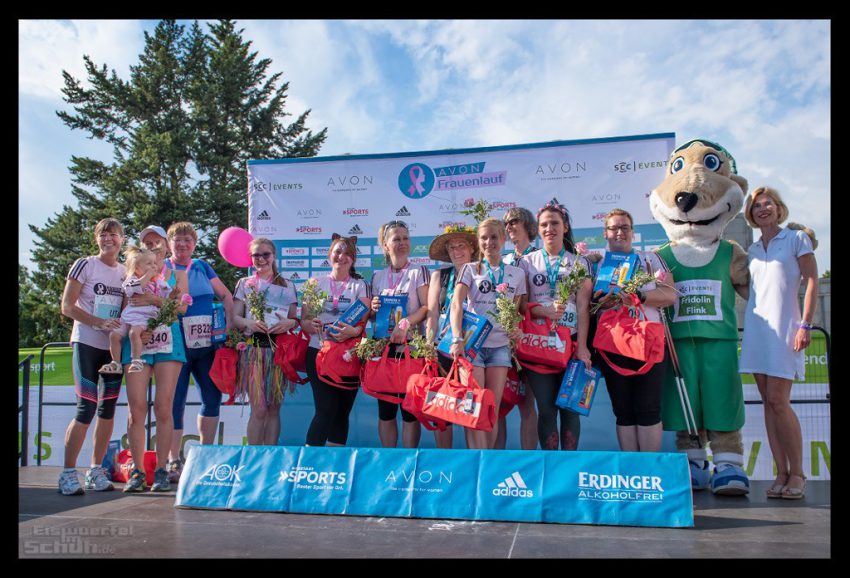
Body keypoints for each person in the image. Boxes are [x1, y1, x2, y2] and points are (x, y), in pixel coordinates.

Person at [739, 187, 818, 499]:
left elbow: (811, 280)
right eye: (757, 206)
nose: (763, 209)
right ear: (751, 214)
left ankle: (798, 473)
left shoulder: (797, 239)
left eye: (767, 203)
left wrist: (805, 324)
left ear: (778, 207)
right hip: (758, 333)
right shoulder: (753, 250)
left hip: (788, 331)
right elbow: (755, 292)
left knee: (779, 402)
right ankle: (781, 472)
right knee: (767, 405)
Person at [592, 209, 677, 452]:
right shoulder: (596, 265)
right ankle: (633, 471)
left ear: (632, 232)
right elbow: (587, 305)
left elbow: (670, 295)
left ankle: (649, 471)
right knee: (623, 410)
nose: (620, 232)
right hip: (613, 344)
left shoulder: (650, 258)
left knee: (649, 408)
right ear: (605, 233)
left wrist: (639, 295)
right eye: (614, 228)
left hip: (648, 341)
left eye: (625, 228)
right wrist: (602, 302)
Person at [58, 218, 127, 495]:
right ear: (96, 239)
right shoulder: (86, 264)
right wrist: (96, 322)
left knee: (107, 411)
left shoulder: (125, 272)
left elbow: (127, 310)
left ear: (122, 239)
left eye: (113, 234)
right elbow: (66, 306)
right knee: (85, 408)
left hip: (112, 349)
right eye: (103, 235)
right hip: (86, 343)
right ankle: (67, 473)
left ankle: (96, 470)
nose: (108, 239)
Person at [518, 200, 592, 450]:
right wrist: (544, 311)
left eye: (555, 223)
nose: (549, 228)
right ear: (538, 230)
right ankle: (551, 467)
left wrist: (582, 347)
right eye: (544, 224)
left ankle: (568, 467)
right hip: (539, 345)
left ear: (565, 226)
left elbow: (583, 308)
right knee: (547, 410)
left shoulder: (579, 263)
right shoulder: (527, 262)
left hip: (569, 345)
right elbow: (521, 305)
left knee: (570, 409)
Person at [165, 222, 234, 483]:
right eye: (177, 240)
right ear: (169, 243)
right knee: (175, 402)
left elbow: (226, 295)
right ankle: (173, 460)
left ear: (194, 244)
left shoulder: (202, 266)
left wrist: (227, 326)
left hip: (206, 346)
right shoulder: (163, 267)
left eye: (187, 240)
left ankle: (205, 456)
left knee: (211, 398)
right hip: (176, 345)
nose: (182, 245)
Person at [121, 225, 189, 492]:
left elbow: (180, 307)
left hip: (168, 342)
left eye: (157, 242)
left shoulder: (177, 275)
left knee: (163, 406)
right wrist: (139, 331)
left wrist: (154, 300)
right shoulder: (131, 275)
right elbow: (127, 309)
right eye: (146, 242)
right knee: (136, 408)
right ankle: (137, 471)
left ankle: (161, 469)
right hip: (138, 342)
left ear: (166, 245)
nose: (153, 246)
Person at [449, 218, 527, 449]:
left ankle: (488, 461)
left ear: (503, 239)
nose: (489, 242)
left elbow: (516, 311)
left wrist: (516, 328)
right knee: (472, 405)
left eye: (494, 237)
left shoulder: (517, 273)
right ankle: (477, 459)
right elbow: (456, 305)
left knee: (492, 407)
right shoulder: (469, 269)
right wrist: (456, 338)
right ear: (478, 242)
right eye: (484, 238)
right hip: (472, 345)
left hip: (500, 347)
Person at [302, 235, 371, 446]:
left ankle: (335, 464)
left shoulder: (361, 285)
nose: (342, 257)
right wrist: (310, 325)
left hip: (348, 354)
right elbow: (304, 321)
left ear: (353, 259)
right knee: (326, 408)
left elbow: (362, 324)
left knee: (342, 411)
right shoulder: (314, 283)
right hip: (319, 351)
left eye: (348, 253)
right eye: (338, 251)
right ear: (329, 254)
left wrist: (352, 332)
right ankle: (309, 461)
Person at [232, 237, 299, 446]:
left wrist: (289, 323)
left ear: (274, 256)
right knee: (259, 408)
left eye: (265, 254)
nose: (261, 259)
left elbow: (294, 319)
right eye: (256, 255)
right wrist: (250, 323)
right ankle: (253, 457)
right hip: (253, 350)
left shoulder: (287, 285)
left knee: (273, 408)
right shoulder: (245, 283)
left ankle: (270, 456)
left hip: (277, 351)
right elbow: (235, 318)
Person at [369, 220, 430, 449]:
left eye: (406, 238)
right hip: (384, 347)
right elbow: (374, 318)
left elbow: (426, 308)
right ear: (385, 246)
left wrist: (405, 323)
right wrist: (373, 309)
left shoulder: (419, 271)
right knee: (385, 410)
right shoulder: (377, 276)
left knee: (409, 410)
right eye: (396, 239)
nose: (402, 243)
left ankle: (408, 461)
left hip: (411, 346)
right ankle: (389, 460)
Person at [426, 226, 479, 448]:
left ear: (472, 248)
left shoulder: (482, 272)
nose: (456, 251)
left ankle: (471, 458)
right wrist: (429, 344)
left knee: (469, 407)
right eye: (451, 247)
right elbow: (432, 313)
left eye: (461, 246)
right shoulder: (440, 275)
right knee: (441, 407)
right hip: (442, 348)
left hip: (472, 348)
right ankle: (444, 459)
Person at [495, 207, 539, 450]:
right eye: (506, 223)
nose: (510, 226)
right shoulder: (503, 262)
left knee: (526, 403)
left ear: (528, 224)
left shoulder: (540, 258)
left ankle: (529, 459)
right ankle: (496, 459)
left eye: (514, 221)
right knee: (499, 403)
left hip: (530, 337)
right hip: (503, 338)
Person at [100, 246, 170, 374]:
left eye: (154, 263)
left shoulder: (157, 282)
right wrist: (147, 276)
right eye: (149, 263)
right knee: (114, 335)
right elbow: (132, 290)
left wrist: (172, 292)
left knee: (134, 333)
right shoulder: (131, 280)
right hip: (128, 316)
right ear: (137, 268)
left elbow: (166, 297)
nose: (154, 266)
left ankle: (136, 360)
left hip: (144, 317)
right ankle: (116, 362)